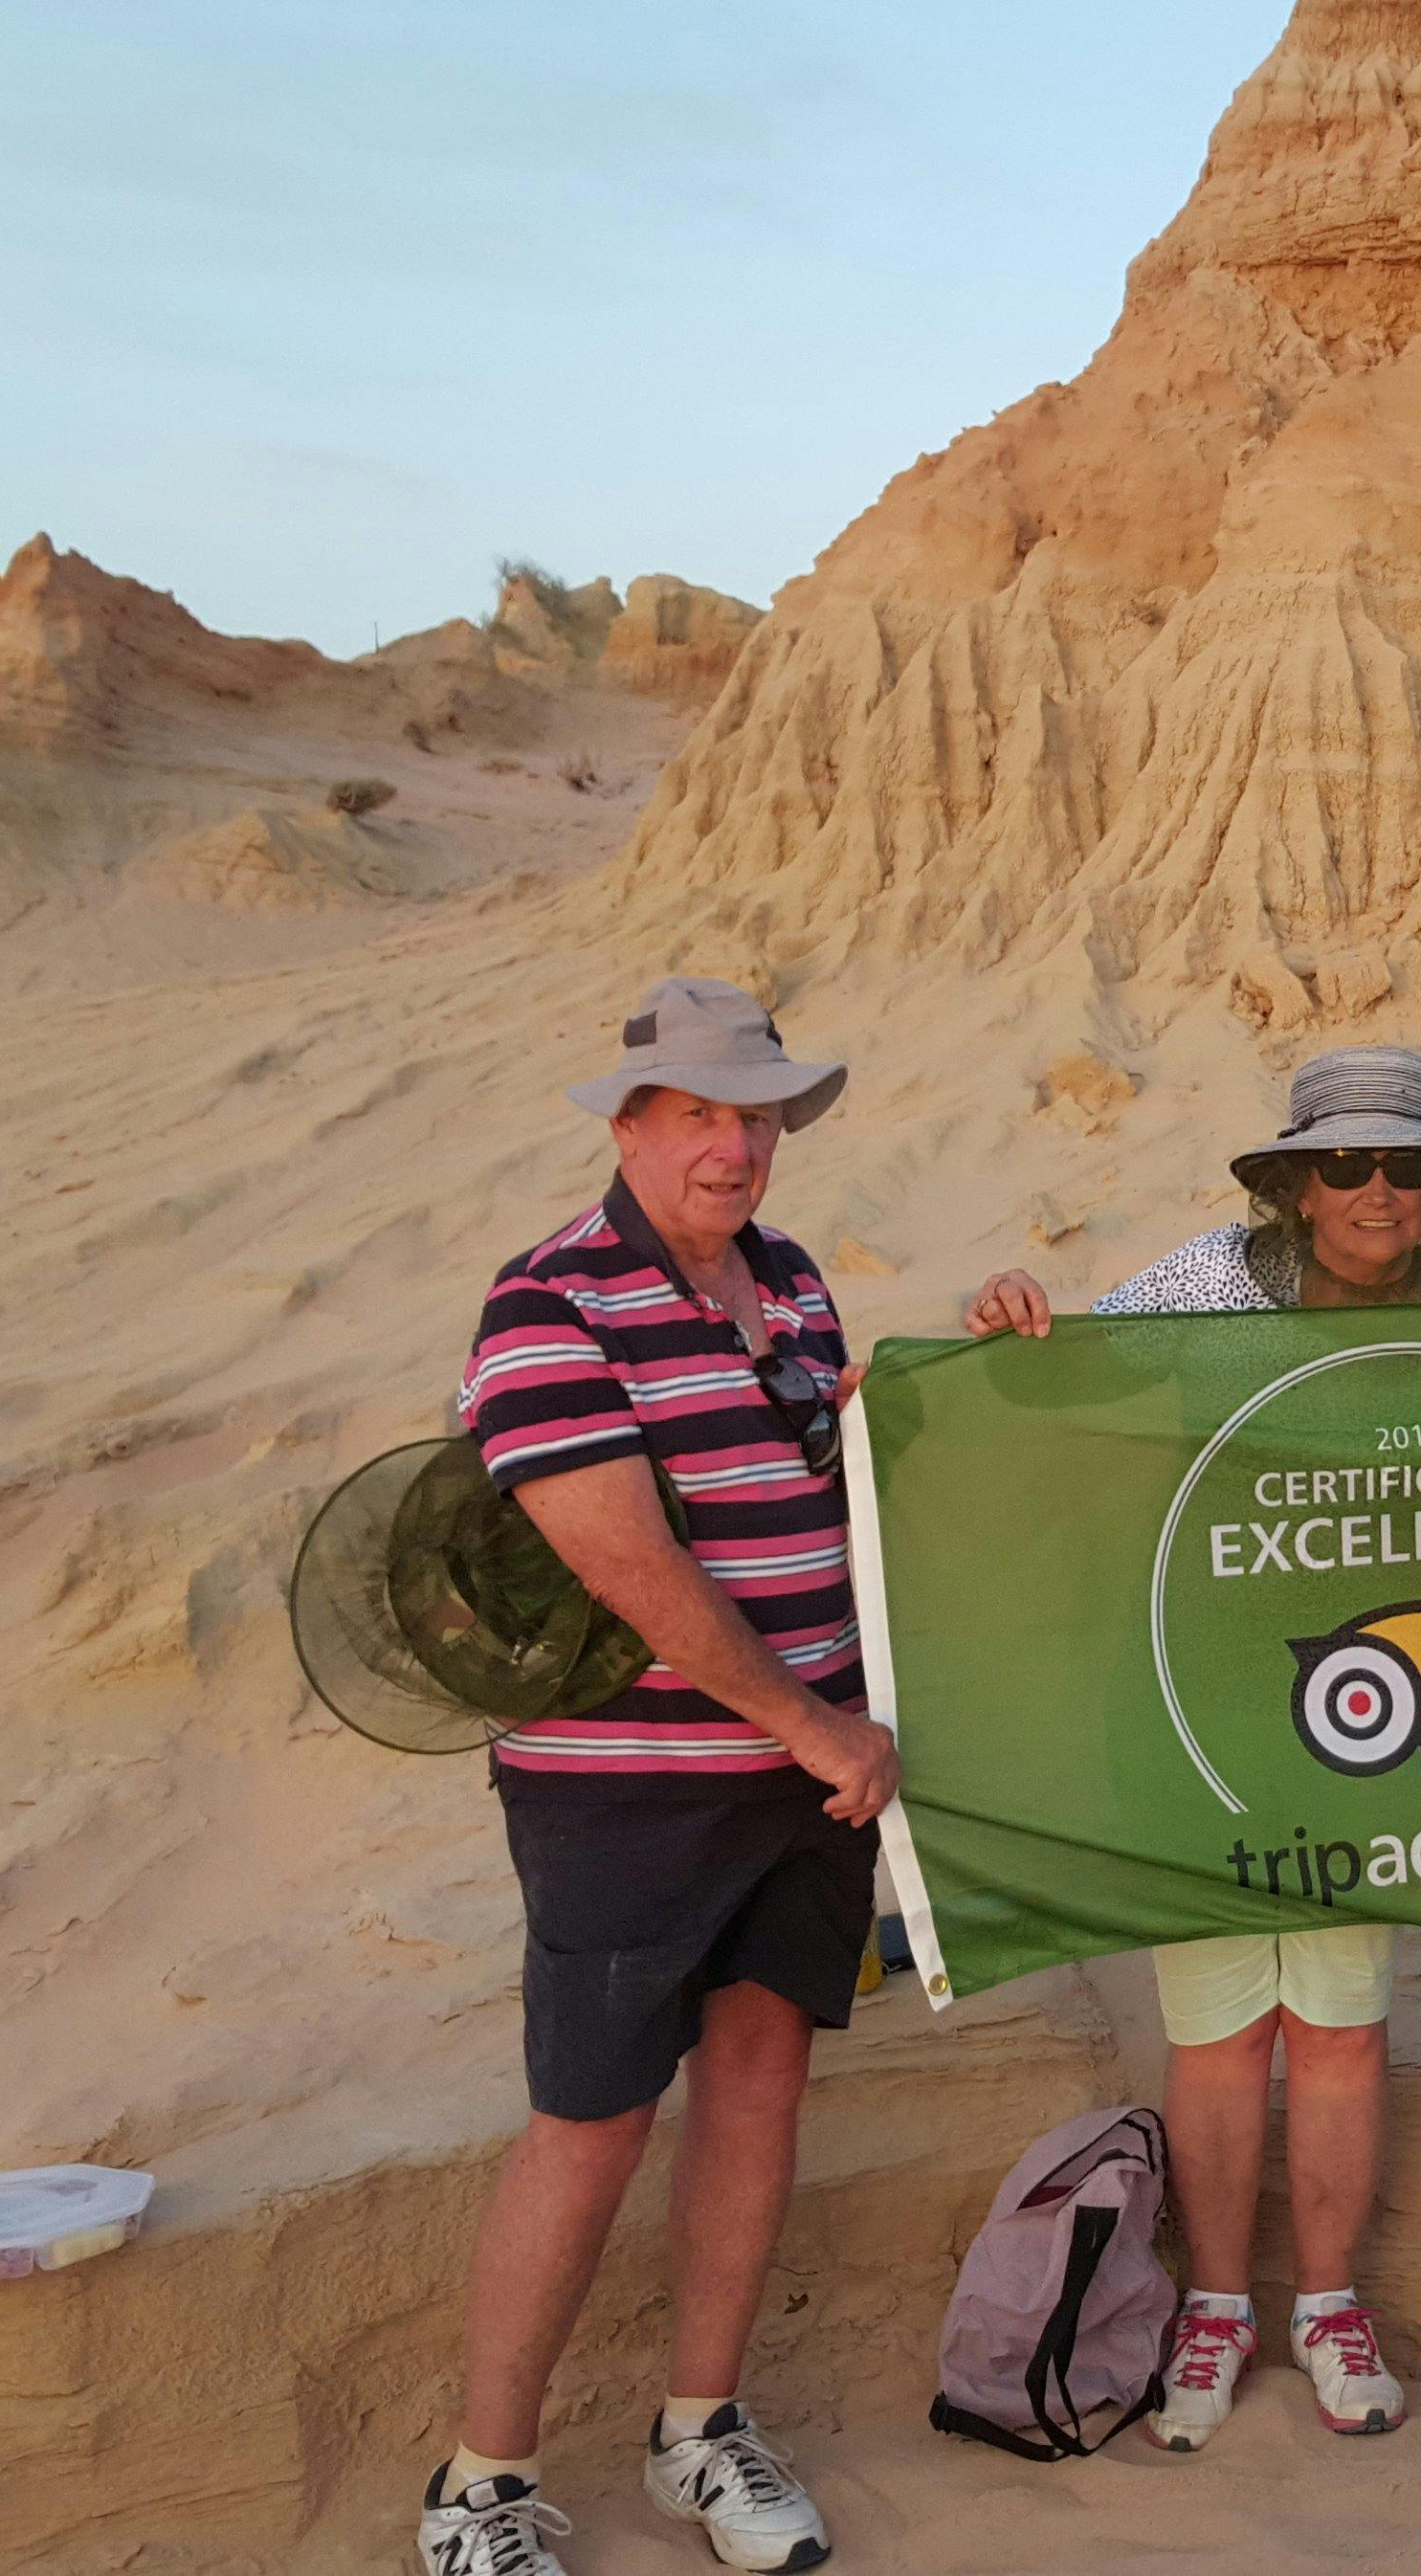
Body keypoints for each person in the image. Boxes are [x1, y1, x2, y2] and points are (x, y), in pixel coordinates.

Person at [955, 1046, 1421, 2447]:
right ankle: (1213, 2308)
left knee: (1336, 2026)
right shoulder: (1206, 1284)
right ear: (1299, 1182)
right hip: (1198, 1702)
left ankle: (1325, 2306)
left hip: (1374, 1712)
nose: (1376, 1190)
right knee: (1216, 2035)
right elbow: (1050, 1380)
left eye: (1404, 1166)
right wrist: (1008, 1323)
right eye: (1346, 1164)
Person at [414, 980, 894, 2576]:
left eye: (754, 1115)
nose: (733, 1145)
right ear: (628, 1127)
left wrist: (978, 1368)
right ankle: (477, 2487)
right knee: (593, 2118)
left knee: (757, 2086)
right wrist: (813, 1725)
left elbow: (830, 1475)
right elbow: (625, 1563)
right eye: (697, 1113)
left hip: (799, 1776)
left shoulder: (794, 1284)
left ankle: (702, 2430)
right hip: (628, 1786)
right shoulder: (547, 1303)